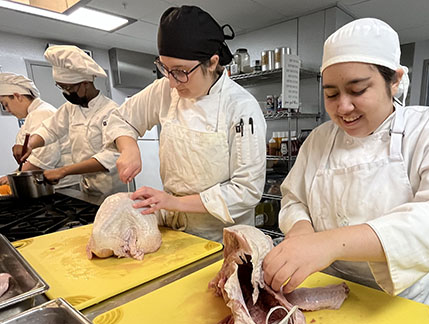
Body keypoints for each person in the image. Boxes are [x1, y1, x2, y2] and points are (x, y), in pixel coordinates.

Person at [263, 18, 429, 312]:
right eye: (331, 94)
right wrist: (301, 231)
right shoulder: (320, 139)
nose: (342, 107)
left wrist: (328, 244)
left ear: (394, 81)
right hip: (327, 287)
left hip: (402, 298)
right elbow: (294, 198)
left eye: (357, 90)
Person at [105, 5, 266, 242]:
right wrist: (129, 147)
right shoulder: (164, 90)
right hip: (174, 230)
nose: (171, 83)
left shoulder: (241, 107)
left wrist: (174, 202)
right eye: (165, 69)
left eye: (180, 72)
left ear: (212, 63)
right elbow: (121, 118)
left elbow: (246, 191)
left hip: (222, 238)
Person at [13, 45, 125, 197]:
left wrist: (64, 170)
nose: (66, 93)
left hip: (112, 189)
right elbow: (49, 129)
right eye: (61, 88)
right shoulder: (70, 109)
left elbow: (111, 156)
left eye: (69, 88)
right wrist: (30, 145)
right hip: (86, 186)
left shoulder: (110, 111)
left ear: (86, 83)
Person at [0, 72, 77, 188]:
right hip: (53, 184)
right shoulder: (34, 114)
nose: (7, 110)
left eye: (6, 104)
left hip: (63, 186)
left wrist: (13, 178)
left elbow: (43, 158)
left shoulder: (41, 113)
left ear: (17, 96)